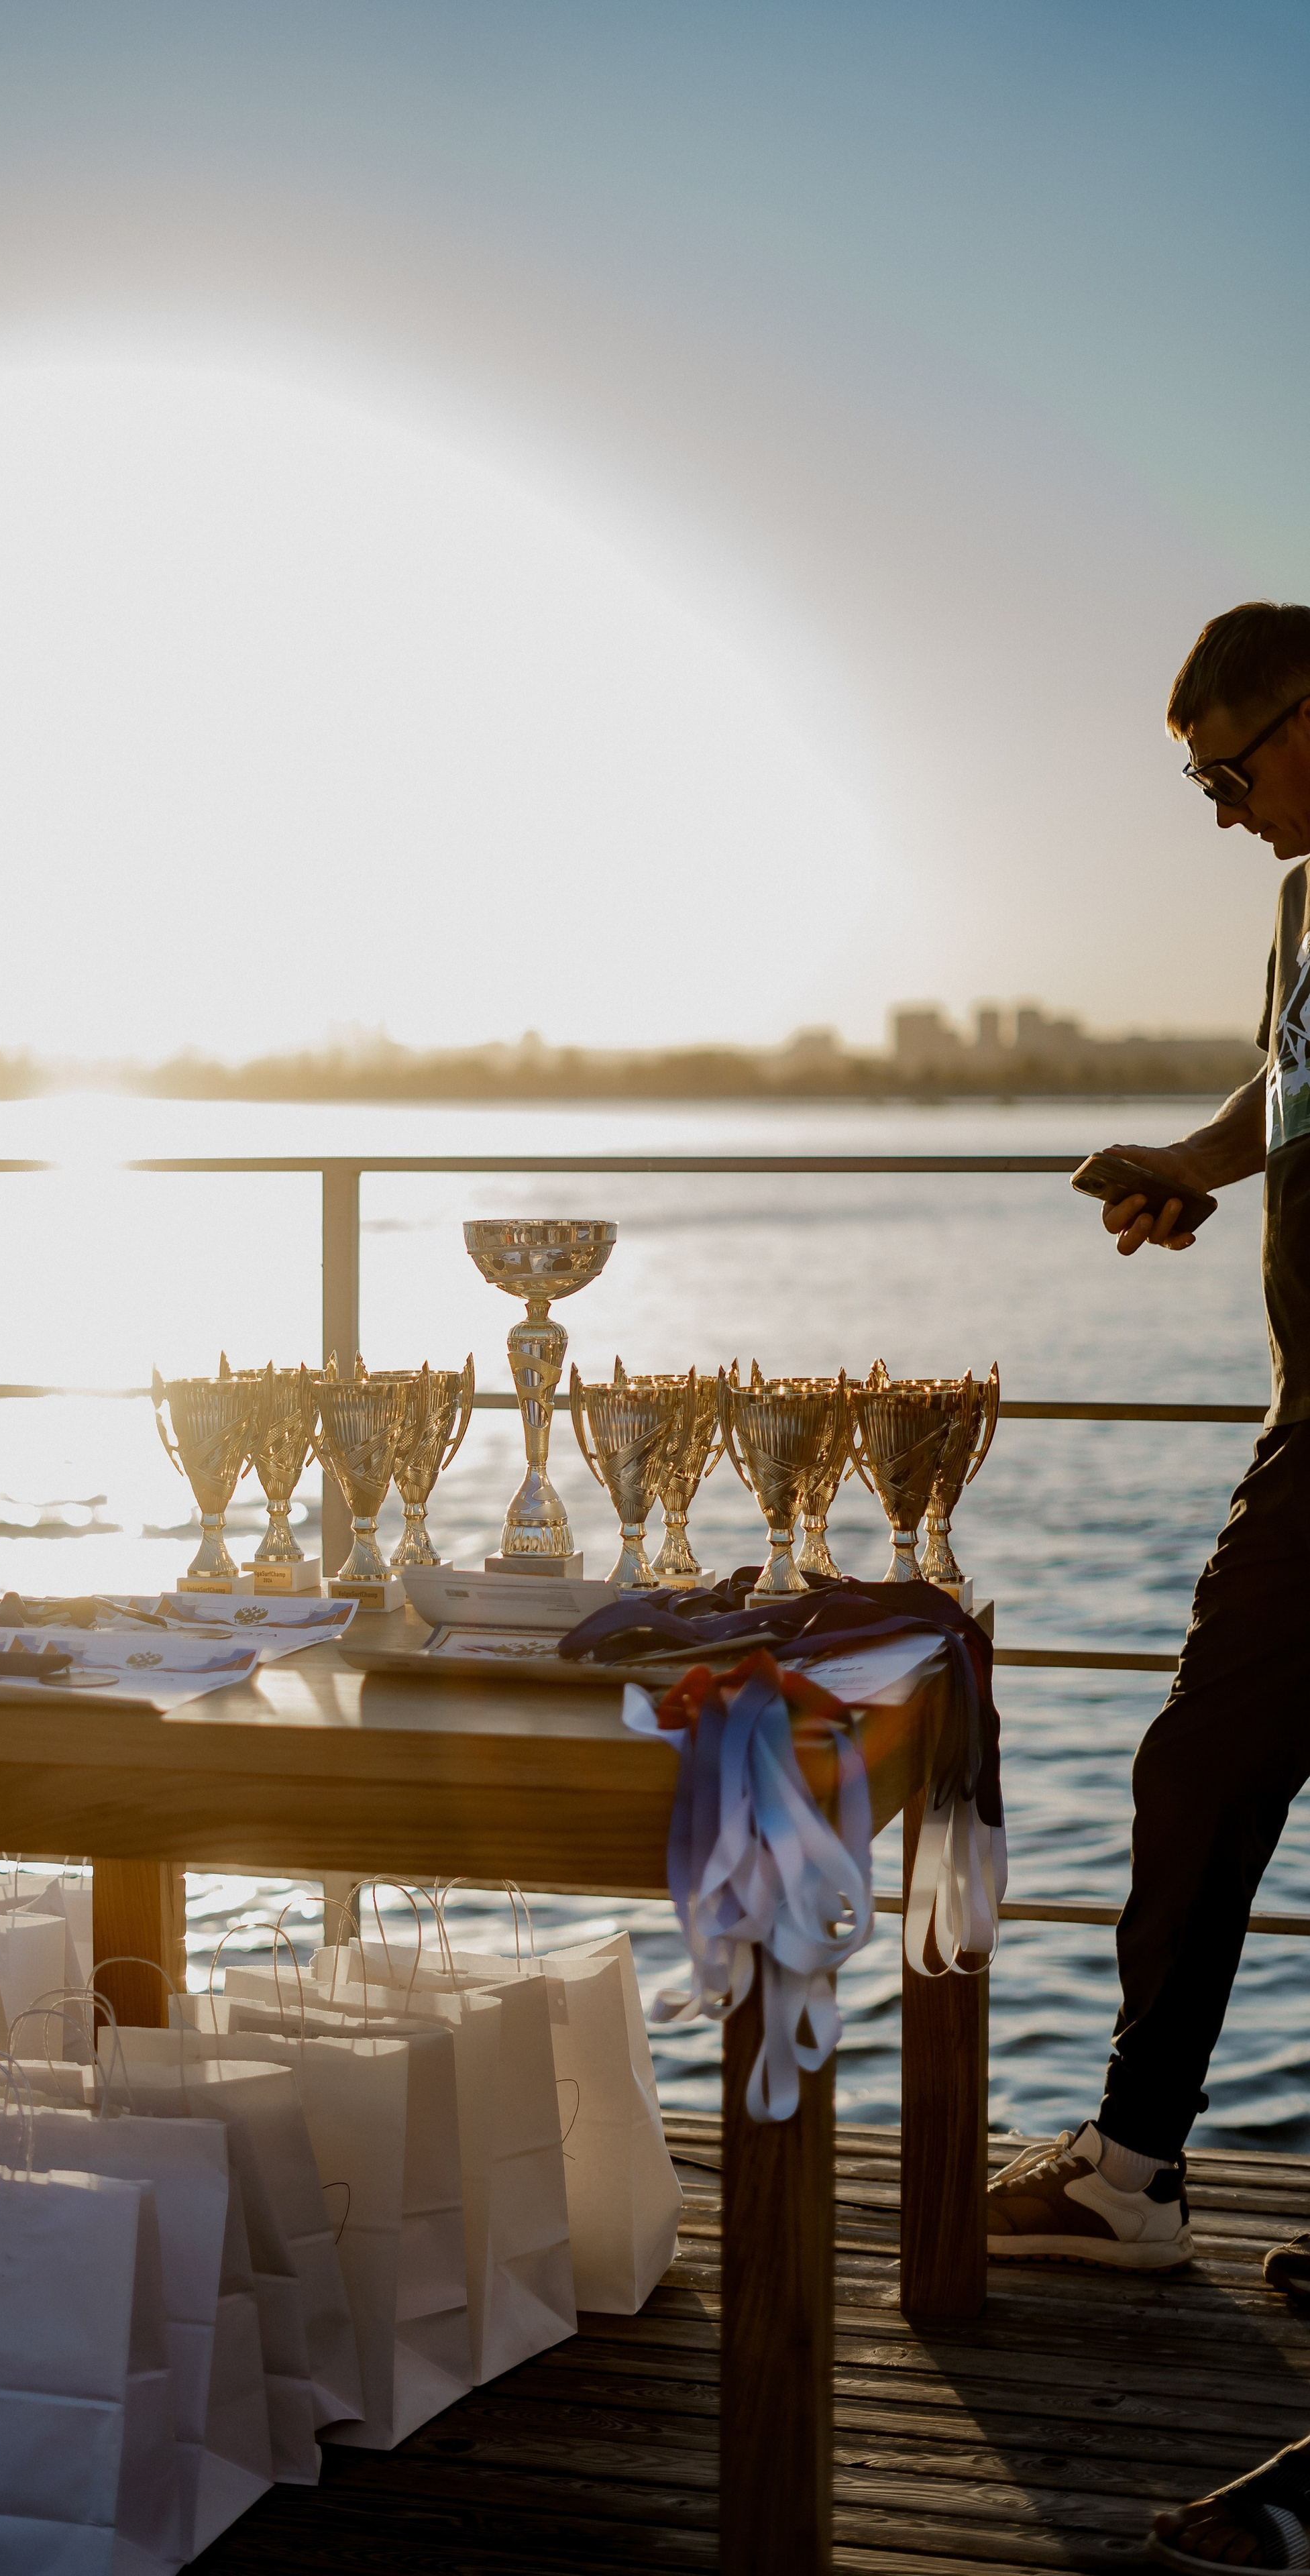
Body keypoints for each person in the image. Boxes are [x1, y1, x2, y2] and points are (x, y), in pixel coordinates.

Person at [977, 602, 1310, 2569]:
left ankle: (1134, 2160)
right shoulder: (1304, 901)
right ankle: (1138, 2159)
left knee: (1198, 1761)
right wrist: (1188, 1163)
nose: (1215, 810)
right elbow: (1292, 1093)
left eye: (1230, 767)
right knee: (1211, 1769)